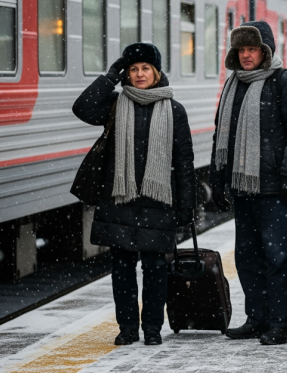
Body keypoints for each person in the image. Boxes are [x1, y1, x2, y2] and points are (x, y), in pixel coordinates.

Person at [72, 43, 196, 346]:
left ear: (156, 72)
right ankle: (127, 328)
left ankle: (152, 328)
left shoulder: (174, 110)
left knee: (155, 268)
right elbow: (82, 108)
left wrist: (186, 206)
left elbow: (184, 161)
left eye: (145, 68)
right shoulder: (115, 105)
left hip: (158, 200)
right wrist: (110, 76)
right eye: (133, 69)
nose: (140, 74)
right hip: (120, 199)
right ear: (126, 74)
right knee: (122, 269)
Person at [209, 21, 287, 345]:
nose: (246, 55)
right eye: (241, 49)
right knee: (247, 257)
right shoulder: (233, 85)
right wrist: (218, 178)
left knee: (278, 257)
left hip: (274, 189)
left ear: (265, 51)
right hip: (244, 187)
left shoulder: (285, 82)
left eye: (252, 49)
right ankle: (257, 318)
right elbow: (221, 134)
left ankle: (282, 324)